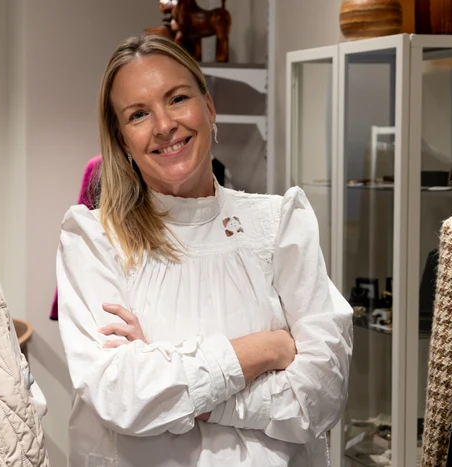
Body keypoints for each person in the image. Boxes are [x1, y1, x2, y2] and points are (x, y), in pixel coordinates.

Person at [56, 34, 353, 467]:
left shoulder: (279, 226)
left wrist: (188, 392)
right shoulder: (95, 240)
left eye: (177, 98)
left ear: (209, 107)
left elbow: (323, 394)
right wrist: (266, 349)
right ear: (122, 140)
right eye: (139, 114)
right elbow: (121, 395)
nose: (164, 125)